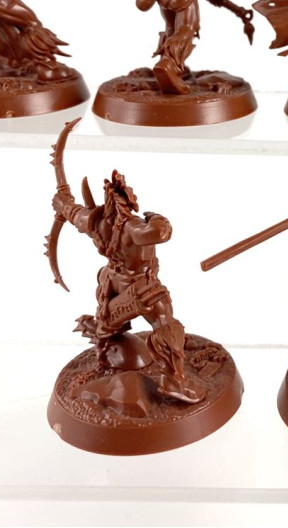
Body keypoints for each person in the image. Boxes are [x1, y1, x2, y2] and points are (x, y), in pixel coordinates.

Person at [53, 170, 205, 404]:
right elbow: (160, 233)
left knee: (108, 319)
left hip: (111, 284)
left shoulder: (95, 222)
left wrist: (63, 202)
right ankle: (174, 380)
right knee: (164, 322)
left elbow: (72, 212)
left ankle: (103, 330)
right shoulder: (132, 227)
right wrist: (157, 217)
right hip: (139, 287)